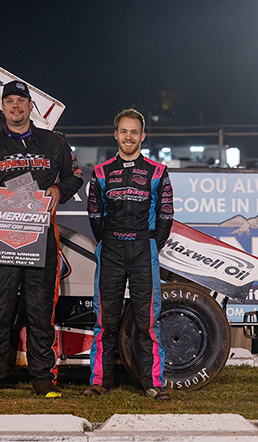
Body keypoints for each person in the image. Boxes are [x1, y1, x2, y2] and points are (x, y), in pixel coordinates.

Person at [0, 80, 83, 399]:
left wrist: (60, 190)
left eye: (21, 101)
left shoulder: (54, 142)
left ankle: (44, 377)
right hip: (1, 240)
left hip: (41, 241)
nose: (15, 106)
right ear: (2, 108)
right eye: (9, 102)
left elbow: (76, 175)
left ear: (32, 106)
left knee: (41, 310)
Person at [84, 108, 174, 400]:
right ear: (116, 135)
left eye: (134, 132)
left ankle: (153, 384)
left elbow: (166, 215)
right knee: (104, 321)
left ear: (142, 136)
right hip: (109, 248)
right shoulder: (100, 172)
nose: (129, 137)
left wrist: (149, 243)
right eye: (124, 131)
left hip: (142, 250)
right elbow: (94, 214)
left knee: (148, 321)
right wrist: (109, 241)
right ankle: (100, 381)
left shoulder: (158, 172)